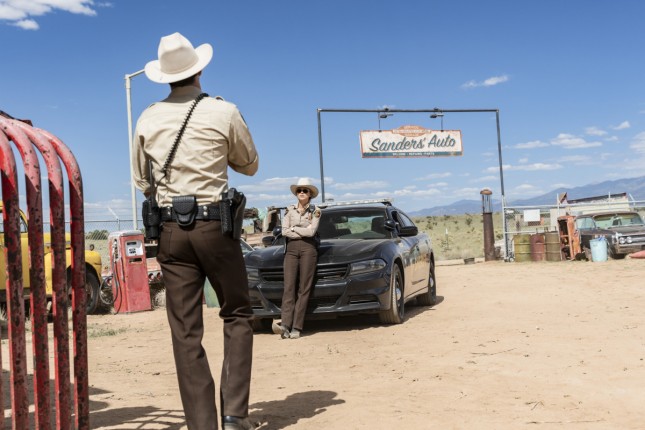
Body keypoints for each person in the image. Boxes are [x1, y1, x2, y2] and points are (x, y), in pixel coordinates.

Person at [131, 32, 258, 430]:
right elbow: (249, 164)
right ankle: (234, 414)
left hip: (170, 229)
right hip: (216, 226)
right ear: (199, 70)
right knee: (237, 313)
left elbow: (141, 180)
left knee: (185, 331)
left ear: (164, 76)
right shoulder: (223, 111)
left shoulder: (148, 117)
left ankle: (202, 424)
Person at [272, 178, 321, 339]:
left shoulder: (316, 211)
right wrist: (300, 229)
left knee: (303, 288)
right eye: (299, 190)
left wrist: (294, 229)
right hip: (291, 249)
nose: (301, 192)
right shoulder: (289, 210)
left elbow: (312, 232)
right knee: (289, 288)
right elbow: (284, 231)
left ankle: (297, 327)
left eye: (305, 190)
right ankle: (285, 325)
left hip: (308, 249)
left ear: (310, 194)